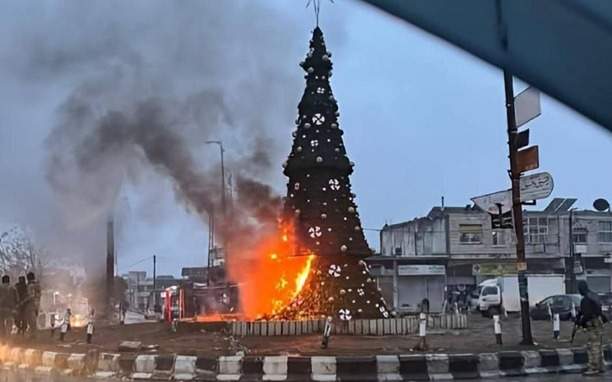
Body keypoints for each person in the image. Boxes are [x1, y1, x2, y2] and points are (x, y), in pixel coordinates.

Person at [576, 280, 608, 375]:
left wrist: (580, 322)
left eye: (579, 289)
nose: (579, 291)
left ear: (582, 289)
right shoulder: (593, 295)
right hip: (599, 322)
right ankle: (601, 366)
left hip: (593, 323)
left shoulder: (585, 299)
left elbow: (587, 314)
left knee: (593, 346)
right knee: (598, 346)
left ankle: (593, 368)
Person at [25, 272, 41, 337]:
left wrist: (23, 301)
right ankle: (34, 333)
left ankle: (33, 334)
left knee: (31, 320)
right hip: (37, 303)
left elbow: (30, 295)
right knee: (34, 319)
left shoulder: (30, 285)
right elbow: (39, 294)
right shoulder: (37, 284)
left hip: (30, 304)